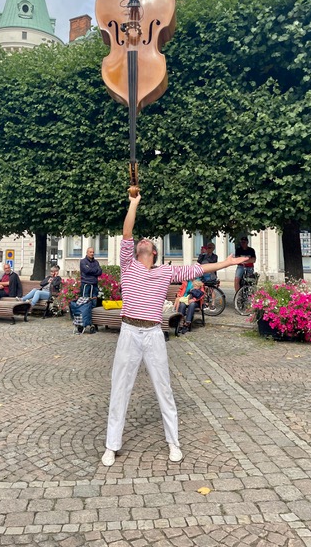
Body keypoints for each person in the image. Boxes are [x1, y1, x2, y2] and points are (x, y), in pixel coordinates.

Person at [101, 193, 249, 467]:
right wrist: (134, 203)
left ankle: (173, 442)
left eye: (148, 242)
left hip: (153, 333)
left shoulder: (166, 273)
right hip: (129, 331)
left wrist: (226, 264)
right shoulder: (128, 266)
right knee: (119, 388)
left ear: (154, 252)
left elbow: (197, 269)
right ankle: (112, 445)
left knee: (164, 388)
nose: (143, 241)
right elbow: (127, 231)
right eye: (141, 241)